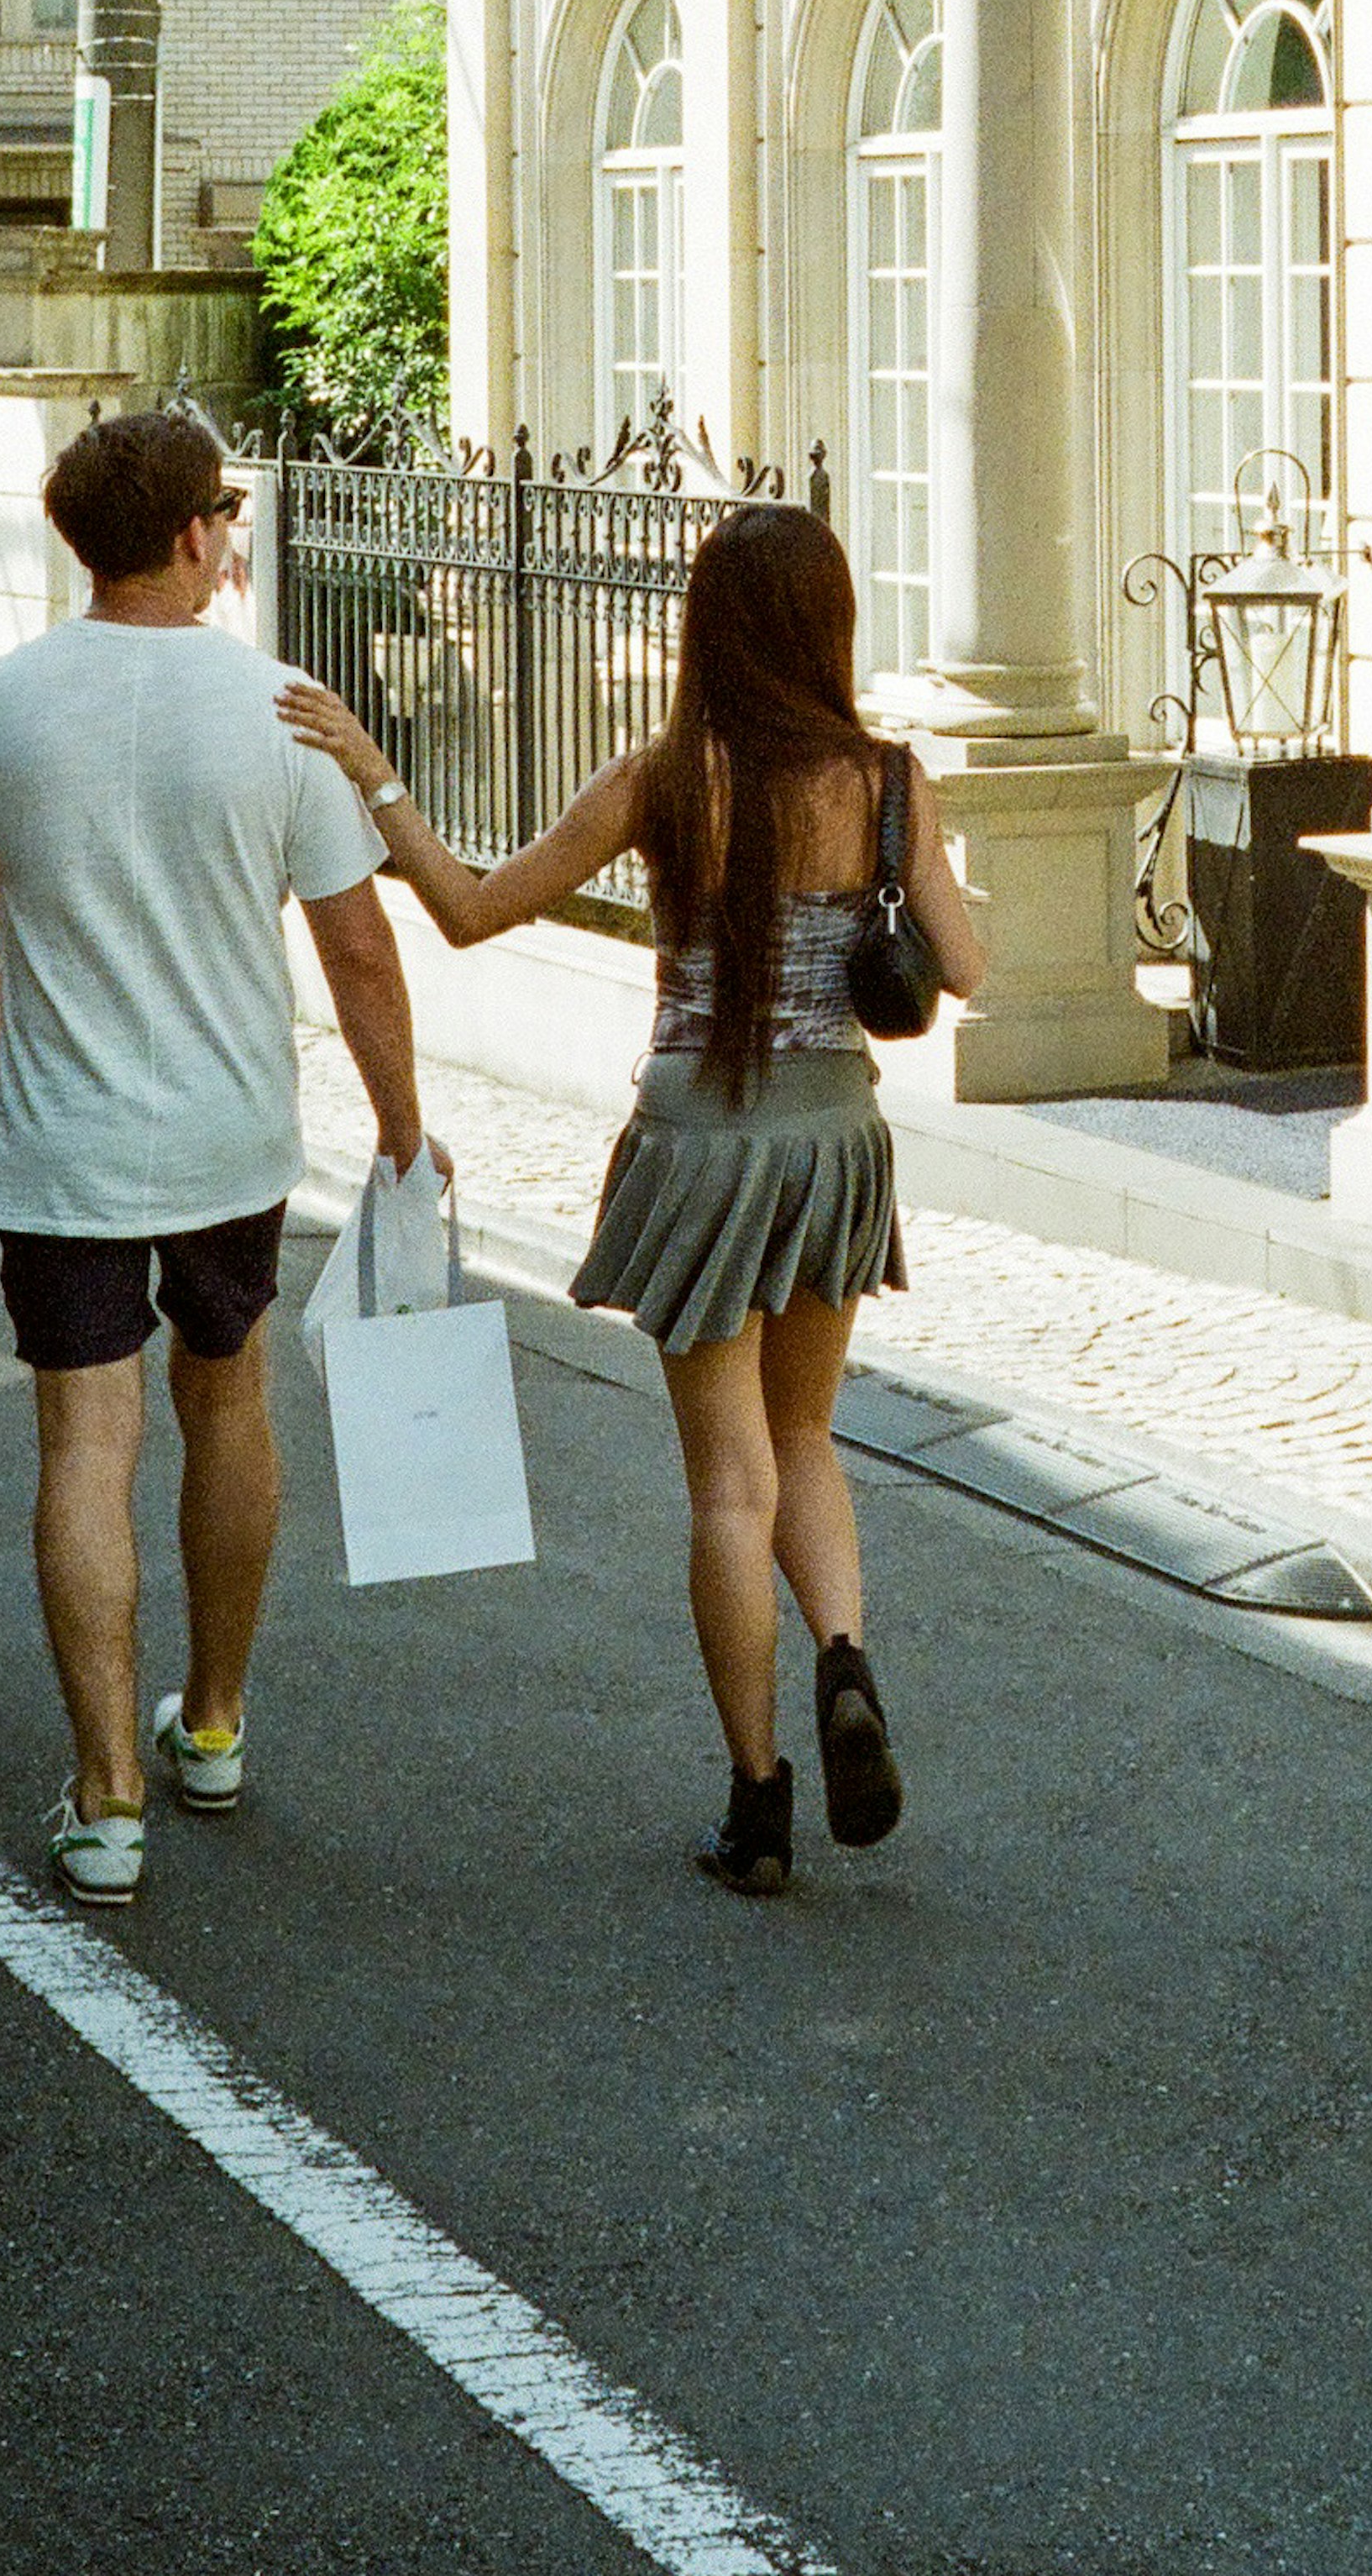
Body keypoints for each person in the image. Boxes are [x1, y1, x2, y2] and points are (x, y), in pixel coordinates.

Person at [278, 501, 985, 1897]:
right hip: (834, 1138)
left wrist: (373, 771)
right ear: (830, 624)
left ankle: (761, 1802)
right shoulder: (889, 781)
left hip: (697, 1143)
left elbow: (475, 907)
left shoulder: (665, 778)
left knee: (730, 1477)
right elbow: (964, 970)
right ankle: (844, 1659)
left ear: (707, 629)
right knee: (808, 1435)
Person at [0, 404, 433, 1908]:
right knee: (230, 1403)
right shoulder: (284, 711)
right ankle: (210, 1723)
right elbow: (360, 950)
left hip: (64, 1140)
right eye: (227, 519)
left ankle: (104, 1795)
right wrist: (399, 1124)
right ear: (197, 534)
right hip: (230, 1135)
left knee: (86, 1447)